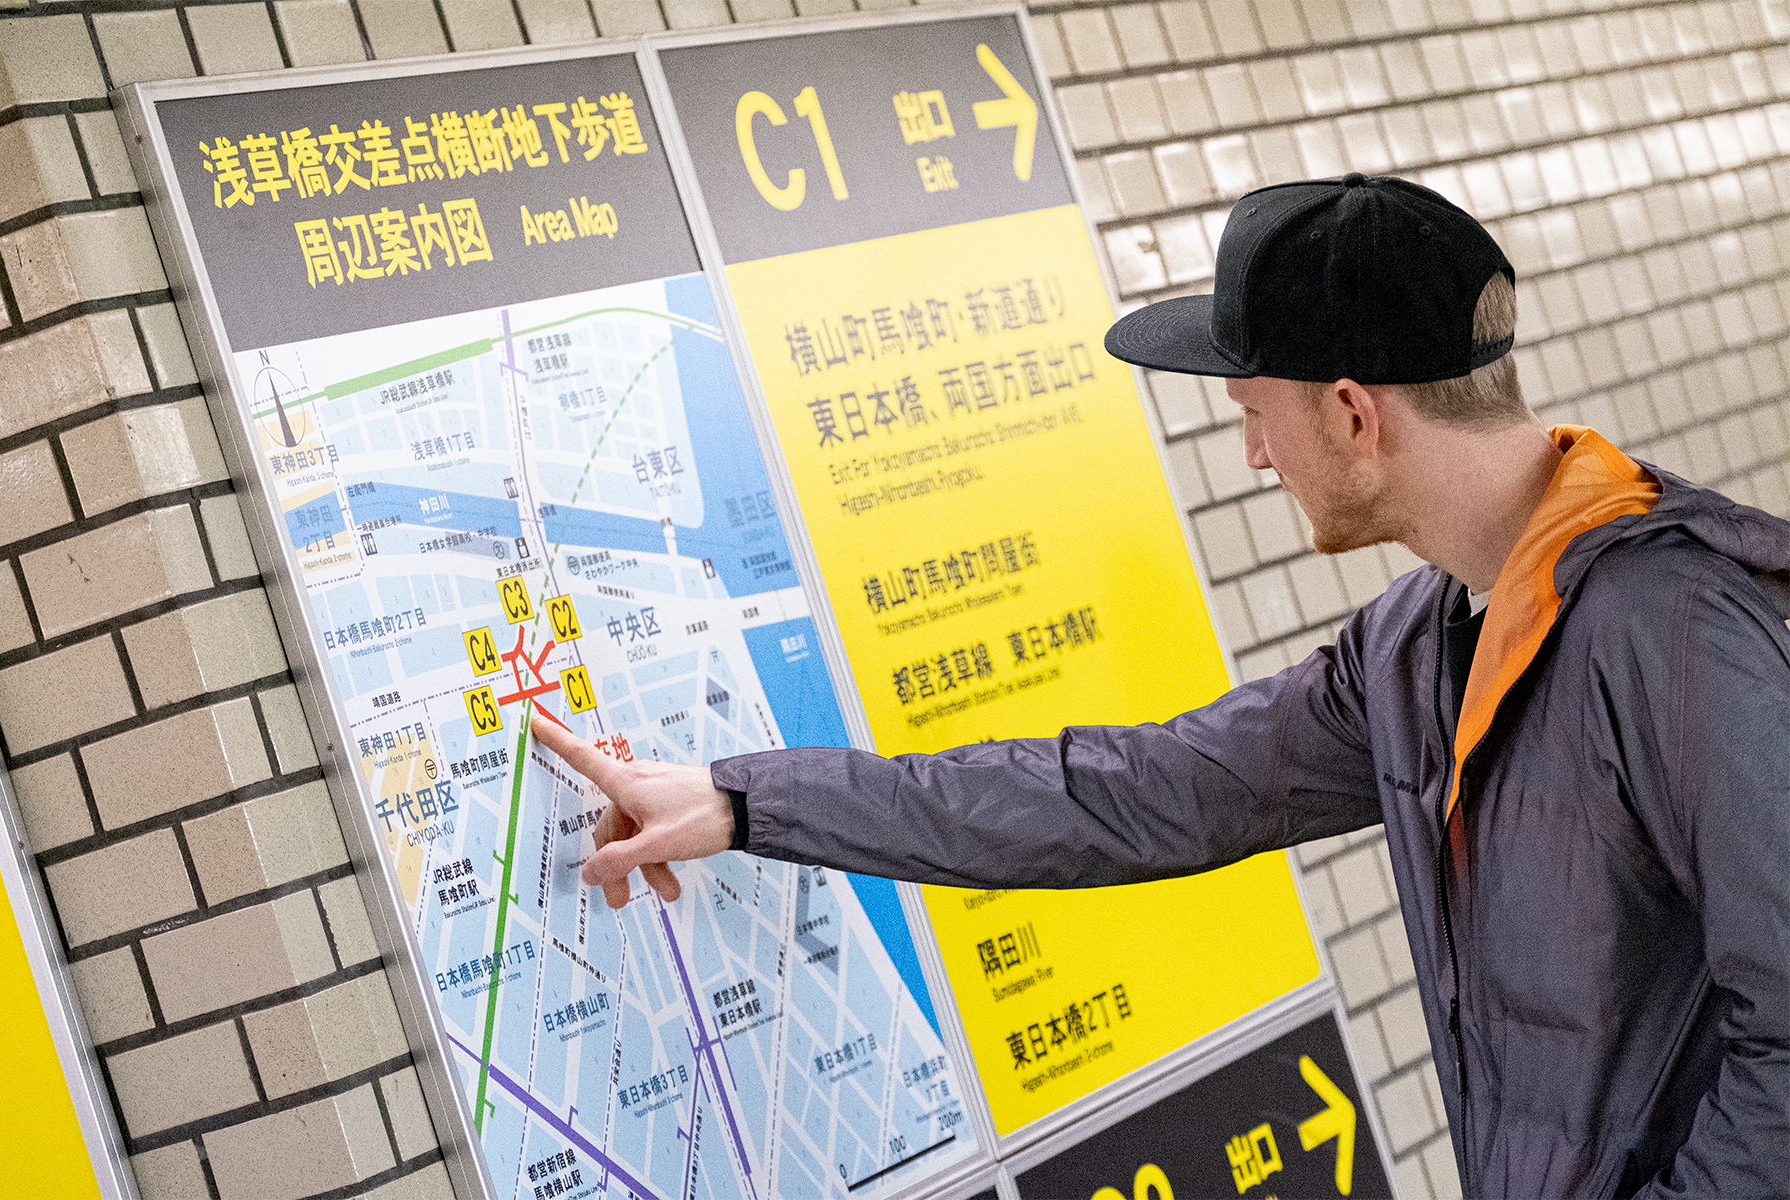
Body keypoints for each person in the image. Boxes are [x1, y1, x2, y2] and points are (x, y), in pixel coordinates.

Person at [530, 173, 1790, 1197]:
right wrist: (747, 801)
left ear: (1354, 414)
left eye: (1257, 411)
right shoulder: (1417, 651)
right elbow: (1129, 794)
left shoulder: (1675, 627)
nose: (1251, 454)